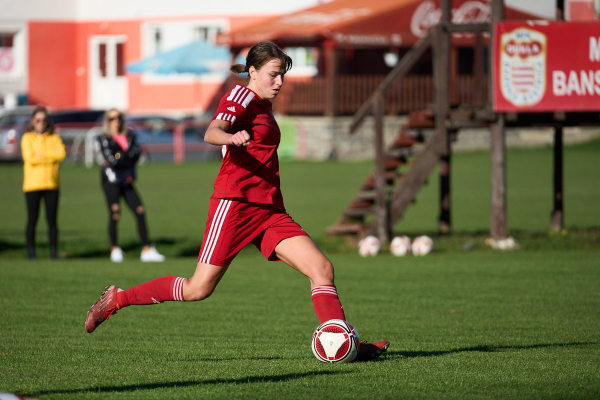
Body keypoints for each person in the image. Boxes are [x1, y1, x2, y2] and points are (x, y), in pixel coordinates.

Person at [85, 42, 389, 361]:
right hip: (235, 205)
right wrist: (230, 137)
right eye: (274, 75)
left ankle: (341, 342)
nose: (280, 82)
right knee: (197, 288)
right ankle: (118, 299)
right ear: (253, 72)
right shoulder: (240, 96)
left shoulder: (264, 105)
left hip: (269, 210)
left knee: (321, 268)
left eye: (283, 75)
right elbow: (212, 131)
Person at [96, 108, 165, 263]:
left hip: (127, 180)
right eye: (112, 118)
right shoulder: (103, 138)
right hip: (111, 180)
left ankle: (146, 250)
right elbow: (113, 161)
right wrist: (125, 157)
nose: (116, 121)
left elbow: (135, 155)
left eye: (118, 117)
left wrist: (121, 157)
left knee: (140, 211)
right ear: (107, 121)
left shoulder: (130, 135)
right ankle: (114, 249)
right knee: (115, 213)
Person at [21, 106, 66, 260]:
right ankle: (31, 252)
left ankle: (53, 252)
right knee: (32, 219)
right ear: (33, 121)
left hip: (52, 184)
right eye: (38, 120)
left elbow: (61, 154)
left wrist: (41, 155)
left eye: (44, 120)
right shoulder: (27, 137)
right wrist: (50, 156)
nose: (41, 123)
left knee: (52, 220)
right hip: (32, 185)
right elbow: (30, 158)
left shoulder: (54, 137)